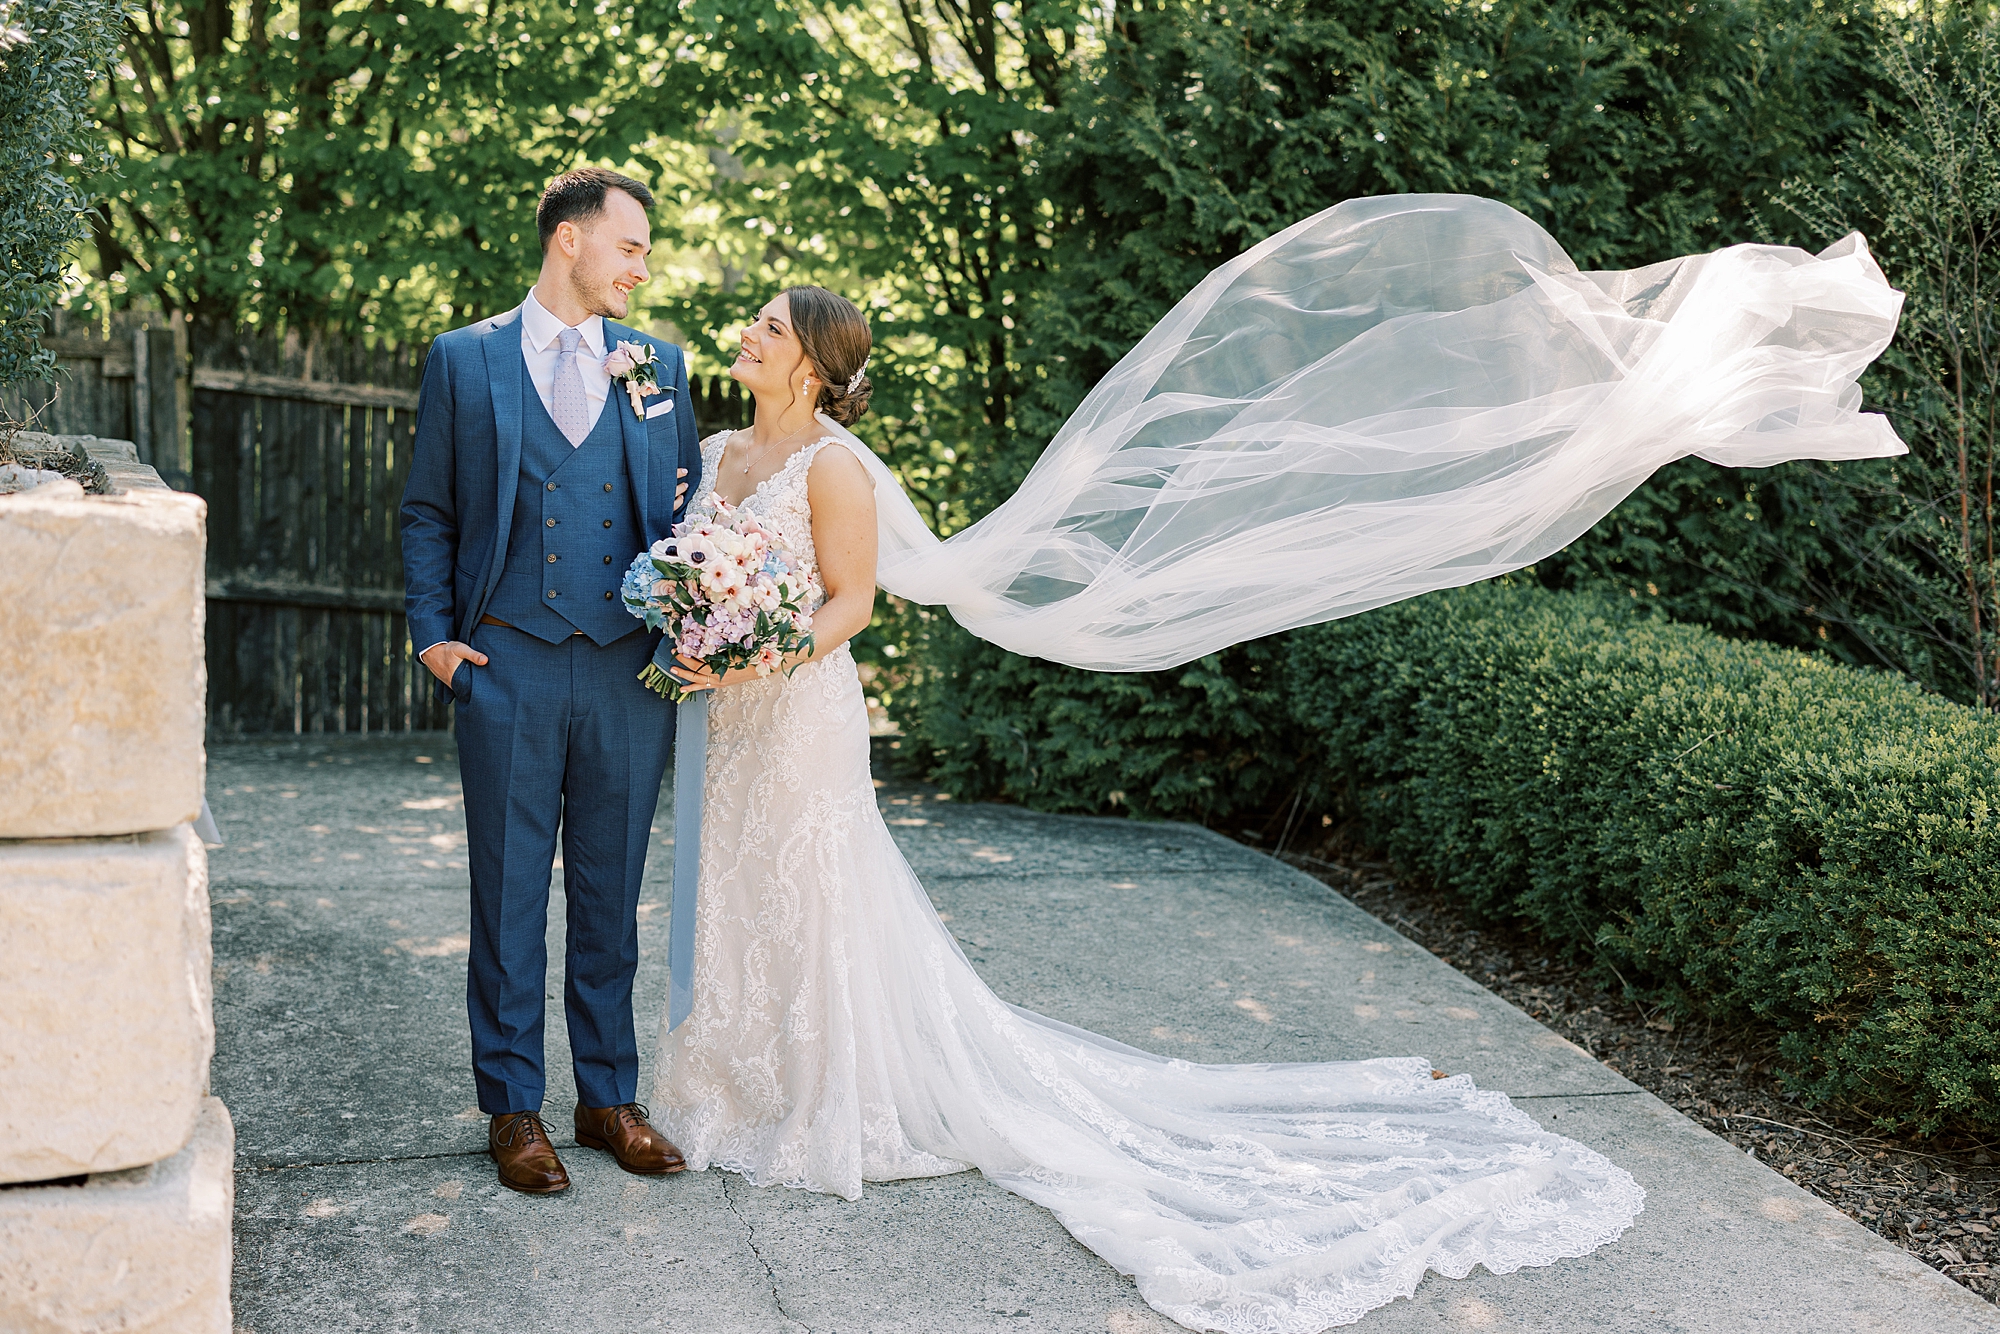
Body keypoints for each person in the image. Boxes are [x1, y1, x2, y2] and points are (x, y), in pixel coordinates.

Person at [647, 195, 1907, 1332]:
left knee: (816, 888)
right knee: (736, 882)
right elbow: (702, 565)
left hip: (794, 705)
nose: (746, 331)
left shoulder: (837, 466)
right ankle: (735, 1075)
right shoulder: (717, 453)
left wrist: (751, 655)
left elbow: (853, 602)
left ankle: (824, 1094)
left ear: (813, 361)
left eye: (767, 322)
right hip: (733, 712)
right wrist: (696, 627)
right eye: (754, 320)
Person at [400, 167, 700, 1195]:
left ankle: (607, 1096)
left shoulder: (657, 364)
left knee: (612, 889)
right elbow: (427, 511)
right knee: (509, 892)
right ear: (570, 240)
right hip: (507, 660)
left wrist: (693, 629)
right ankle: (513, 1106)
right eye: (629, 246)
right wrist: (435, 637)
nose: (641, 266)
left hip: (628, 667)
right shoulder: (464, 358)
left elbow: (686, 515)